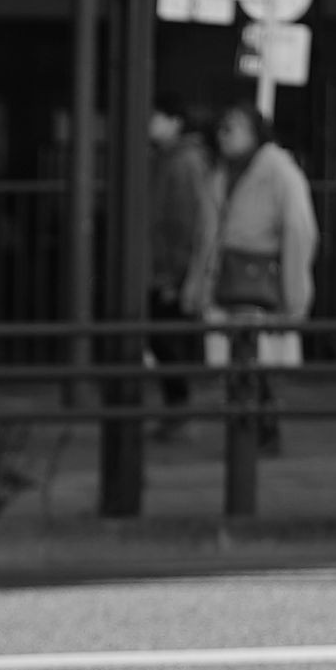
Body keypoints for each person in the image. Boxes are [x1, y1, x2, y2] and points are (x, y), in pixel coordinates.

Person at [201, 103, 319, 452]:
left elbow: (299, 230)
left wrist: (295, 291)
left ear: (255, 133)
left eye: (233, 128)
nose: (224, 135)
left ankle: (256, 433)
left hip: (256, 276)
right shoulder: (223, 172)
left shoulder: (278, 172)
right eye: (223, 127)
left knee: (251, 358)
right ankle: (254, 432)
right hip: (232, 276)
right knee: (242, 359)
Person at [145, 110, 217, 435]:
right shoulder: (166, 158)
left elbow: (186, 221)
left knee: (165, 338)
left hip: (168, 268)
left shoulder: (183, 161)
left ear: (176, 121)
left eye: (157, 116)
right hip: (162, 264)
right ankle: (176, 407)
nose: (150, 123)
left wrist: (177, 273)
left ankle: (179, 408)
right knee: (162, 337)